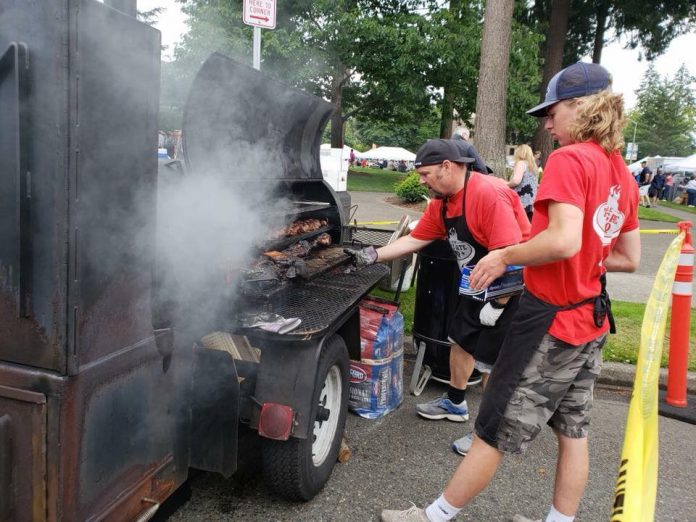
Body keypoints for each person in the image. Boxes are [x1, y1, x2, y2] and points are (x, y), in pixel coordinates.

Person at [381, 61, 640, 522]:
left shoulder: (570, 159)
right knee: (573, 432)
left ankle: (432, 516)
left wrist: (503, 256)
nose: (546, 123)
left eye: (552, 112)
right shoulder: (620, 172)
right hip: (591, 321)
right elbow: (625, 256)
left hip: (551, 322)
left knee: (493, 426)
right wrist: (583, 258)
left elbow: (562, 240)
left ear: (581, 106)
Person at [346, 138, 530, 444]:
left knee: (492, 362)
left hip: (511, 285)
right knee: (460, 340)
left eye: (425, 174)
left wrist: (498, 304)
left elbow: (510, 253)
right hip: (477, 282)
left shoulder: (488, 194)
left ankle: (489, 433)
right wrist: (374, 254)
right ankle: (456, 403)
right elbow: (416, 239)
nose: (421, 180)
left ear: (447, 167)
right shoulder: (443, 203)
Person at [509, 144, 539, 221]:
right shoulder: (533, 166)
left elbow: (516, 181)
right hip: (531, 203)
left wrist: (505, 184)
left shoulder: (521, 163)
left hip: (521, 203)